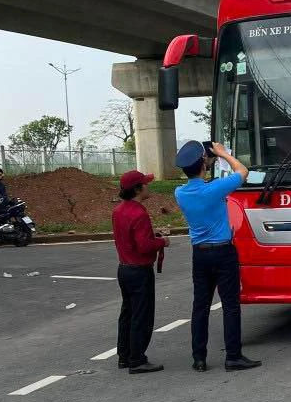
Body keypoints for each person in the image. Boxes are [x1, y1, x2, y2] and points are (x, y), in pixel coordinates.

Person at [174, 140, 260, 373]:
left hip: (199, 253)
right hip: (223, 252)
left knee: (200, 306)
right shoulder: (214, 189)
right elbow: (243, 171)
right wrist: (222, 153)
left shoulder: (180, 193)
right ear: (204, 163)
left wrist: (207, 160)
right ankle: (233, 356)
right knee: (230, 305)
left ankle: (199, 358)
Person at [111, 170, 169, 375]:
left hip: (124, 268)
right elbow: (144, 246)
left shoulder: (118, 210)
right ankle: (137, 359)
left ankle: (124, 355)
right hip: (139, 270)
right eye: (145, 183)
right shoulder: (139, 213)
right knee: (141, 316)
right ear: (137, 189)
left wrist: (152, 236)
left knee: (127, 313)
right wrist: (162, 241)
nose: (148, 186)